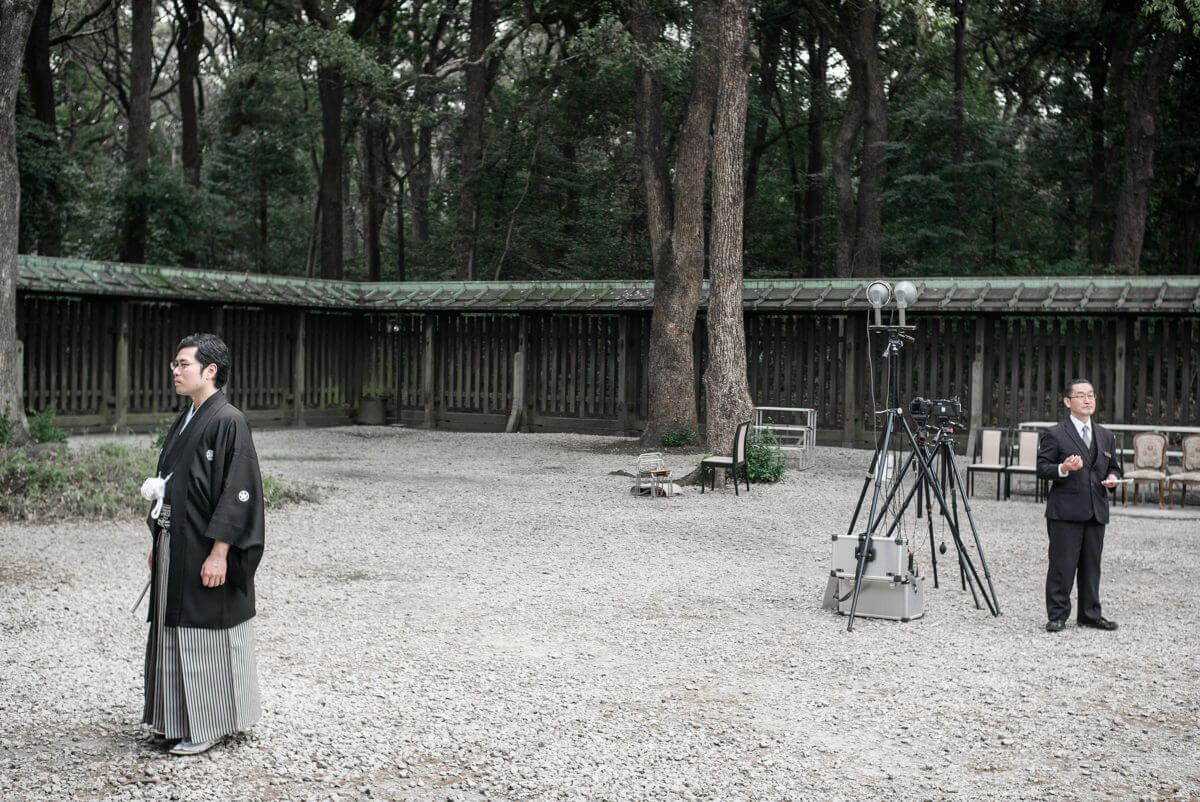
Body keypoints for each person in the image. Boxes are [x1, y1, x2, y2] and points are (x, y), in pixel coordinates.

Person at [141, 333, 264, 755]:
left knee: (206, 629)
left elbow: (238, 491)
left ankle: (210, 723)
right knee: (172, 626)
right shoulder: (187, 417)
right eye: (174, 364)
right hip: (178, 538)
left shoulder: (228, 420)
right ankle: (174, 718)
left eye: (183, 365)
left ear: (210, 371)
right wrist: (159, 539)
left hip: (207, 544)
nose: (175, 372)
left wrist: (220, 552)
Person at [1036, 378, 1122, 633]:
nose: (1087, 400)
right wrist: (1063, 468)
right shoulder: (1055, 434)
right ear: (1067, 401)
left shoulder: (1106, 436)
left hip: (1096, 509)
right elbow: (1041, 469)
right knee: (1062, 565)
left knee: (1092, 566)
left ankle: (1090, 614)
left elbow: (1115, 467)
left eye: (1091, 395)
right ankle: (1058, 615)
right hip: (1065, 511)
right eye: (1081, 395)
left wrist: (1114, 478)